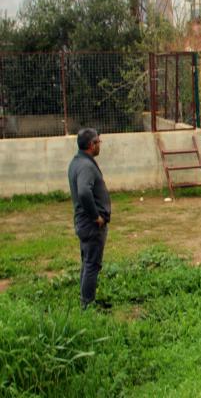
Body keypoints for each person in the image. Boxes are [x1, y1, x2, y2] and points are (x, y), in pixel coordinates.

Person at [68, 128, 112, 309]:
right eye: (98, 142)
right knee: (92, 264)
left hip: (84, 222)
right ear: (91, 145)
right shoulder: (86, 166)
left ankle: (86, 300)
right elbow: (84, 192)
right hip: (91, 225)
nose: (100, 145)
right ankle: (87, 305)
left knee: (87, 263)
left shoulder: (77, 162)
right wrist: (96, 217)